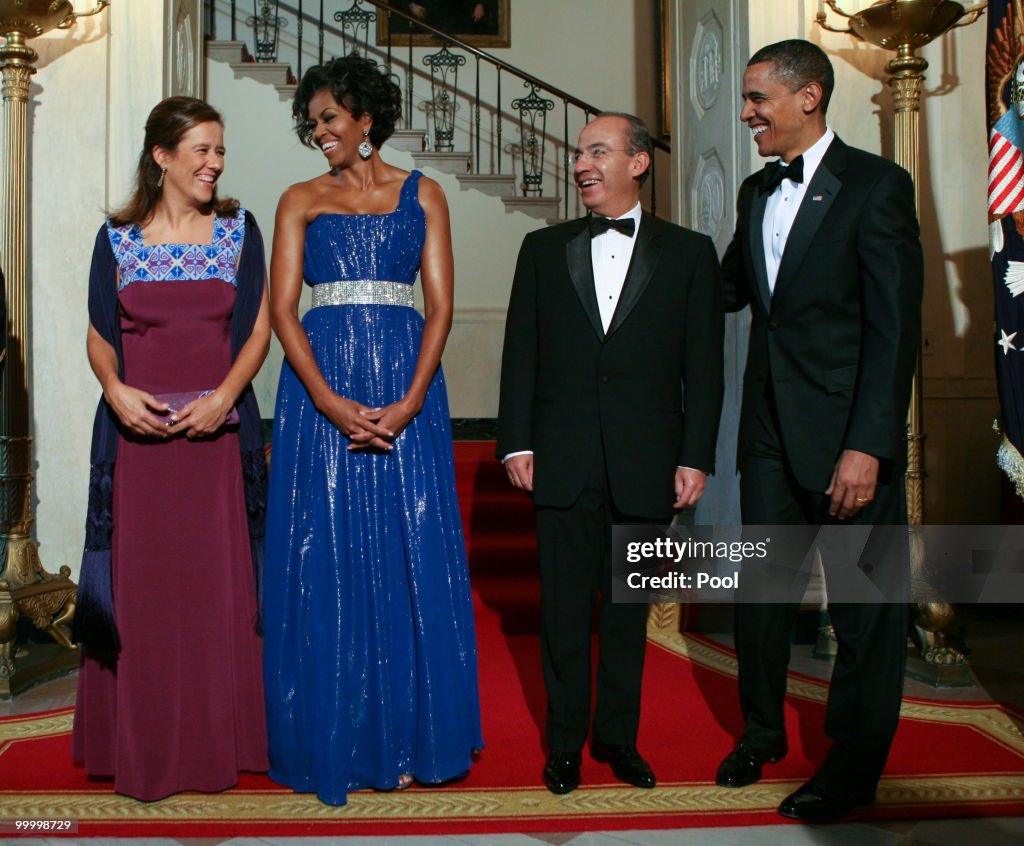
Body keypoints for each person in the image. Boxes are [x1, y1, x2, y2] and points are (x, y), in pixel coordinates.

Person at [262, 53, 482, 806]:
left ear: (365, 119)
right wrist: (324, 400)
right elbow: (284, 310)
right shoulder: (298, 199)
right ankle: (336, 740)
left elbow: (443, 306)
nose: (318, 130)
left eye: (329, 118)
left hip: (404, 388)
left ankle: (420, 735)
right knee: (322, 551)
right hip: (318, 392)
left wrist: (414, 400)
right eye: (312, 121)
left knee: (409, 549)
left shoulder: (425, 194)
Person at [715, 39, 922, 821]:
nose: (746, 114)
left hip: (847, 441)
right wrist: (639, 268)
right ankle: (761, 731)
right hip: (767, 431)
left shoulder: (877, 187)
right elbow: (729, 287)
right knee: (761, 598)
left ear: (809, 97)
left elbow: (894, 330)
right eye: (744, 98)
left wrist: (868, 445)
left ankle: (852, 768)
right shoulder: (754, 190)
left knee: (866, 611)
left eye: (758, 98)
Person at [497, 112, 724, 794]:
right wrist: (515, 440)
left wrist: (695, 456)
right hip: (561, 460)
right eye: (579, 152)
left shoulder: (690, 254)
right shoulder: (542, 249)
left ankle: (618, 740)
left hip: (648, 463)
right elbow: (521, 356)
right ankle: (564, 744)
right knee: (563, 614)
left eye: (598, 151)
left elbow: (704, 369)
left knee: (628, 617)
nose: (581, 164)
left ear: (638, 163)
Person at [71, 96, 271, 801]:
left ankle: (223, 742)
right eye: (202, 151)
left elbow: (257, 331)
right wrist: (116, 392)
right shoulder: (116, 239)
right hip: (139, 442)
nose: (215, 163)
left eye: (220, 151)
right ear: (162, 156)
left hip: (216, 442)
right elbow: (99, 330)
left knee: (216, 592)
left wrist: (223, 398)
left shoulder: (239, 231)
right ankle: (143, 742)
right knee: (147, 592)